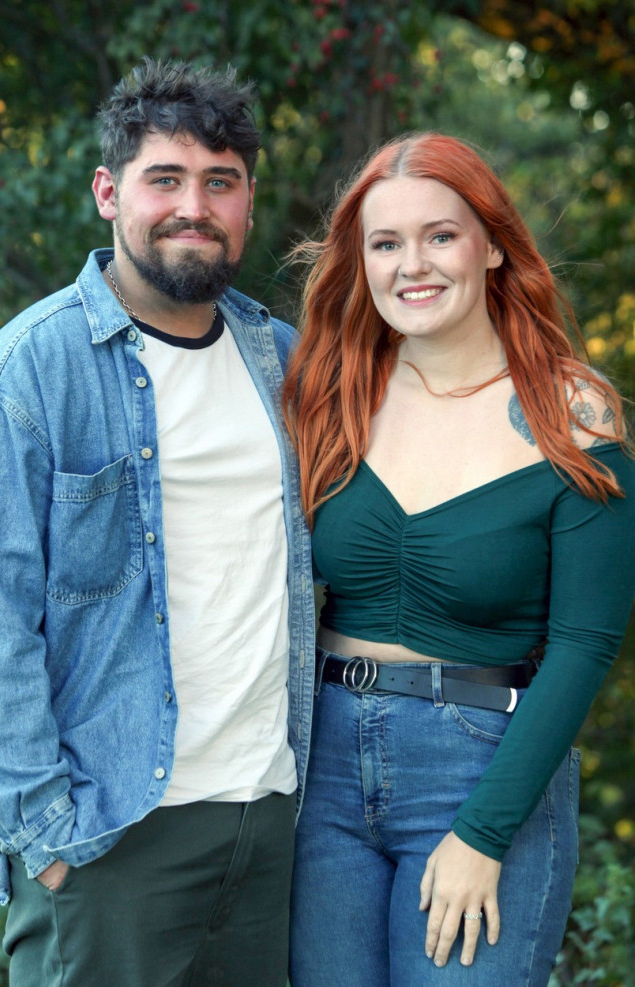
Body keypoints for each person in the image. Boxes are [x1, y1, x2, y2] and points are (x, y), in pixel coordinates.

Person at [0, 57, 315, 987]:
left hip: (269, 822)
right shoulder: (24, 377)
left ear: (248, 200)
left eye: (221, 182)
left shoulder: (282, 364)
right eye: (164, 178)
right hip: (110, 838)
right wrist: (44, 837)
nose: (193, 207)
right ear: (108, 191)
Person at [283, 132, 635, 986]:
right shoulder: (331, 390)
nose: (415, 264)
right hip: (318, 768)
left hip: (480, 764)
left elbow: (586, 644)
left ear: (494, 244)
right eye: (386, 242)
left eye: (440, 235)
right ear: (359, 261)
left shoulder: (572, 411)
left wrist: (484, 833)